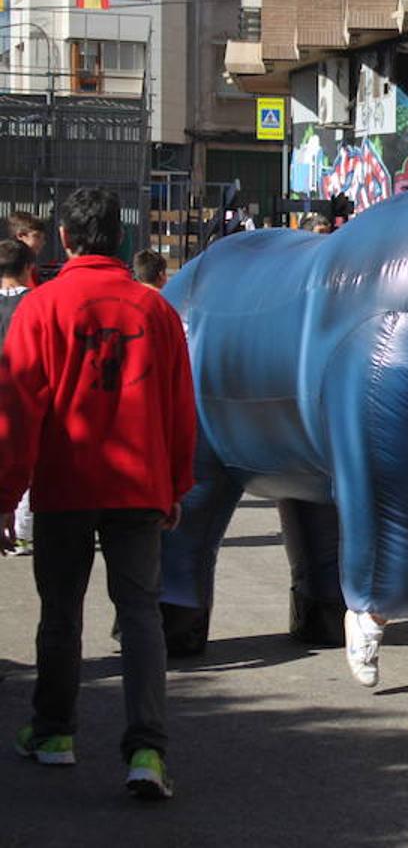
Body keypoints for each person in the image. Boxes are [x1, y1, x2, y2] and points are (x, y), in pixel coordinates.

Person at [0, 188, 196, 799]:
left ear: (63, 239)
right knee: (140, 616)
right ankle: (146, 752)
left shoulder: (40, 306)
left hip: (65, 482)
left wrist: (6, 494)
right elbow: (179, 408)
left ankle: (55, 732)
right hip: (138, 485)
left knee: (61, 612)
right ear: (123, 238)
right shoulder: (154, 309)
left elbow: (16, 409)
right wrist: (175, 484)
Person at [0, 239, 37, 556]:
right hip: (22, 394)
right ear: (28, 268)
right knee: (24, 464)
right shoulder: (35, 303)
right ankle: (21, 533)